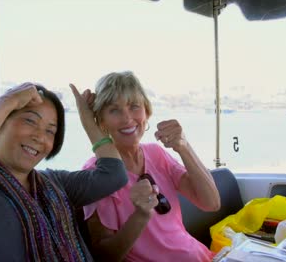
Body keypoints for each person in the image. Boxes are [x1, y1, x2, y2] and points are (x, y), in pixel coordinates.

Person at [0, 82, 128, 261]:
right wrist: (8, 100)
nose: (39, 137)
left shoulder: (56, 182)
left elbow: (114, 175)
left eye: (50, 131)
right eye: (29, 121)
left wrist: (88, 121)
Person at [83, 71, 221, 262]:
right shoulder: (94, 174)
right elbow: (104, 256)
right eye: (114, 110)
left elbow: (211, 203)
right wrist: (140, 214)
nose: (127, 118)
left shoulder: (157, 154)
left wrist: (183, 147)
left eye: (134, 107)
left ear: (146, 112)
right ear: (102, 121)